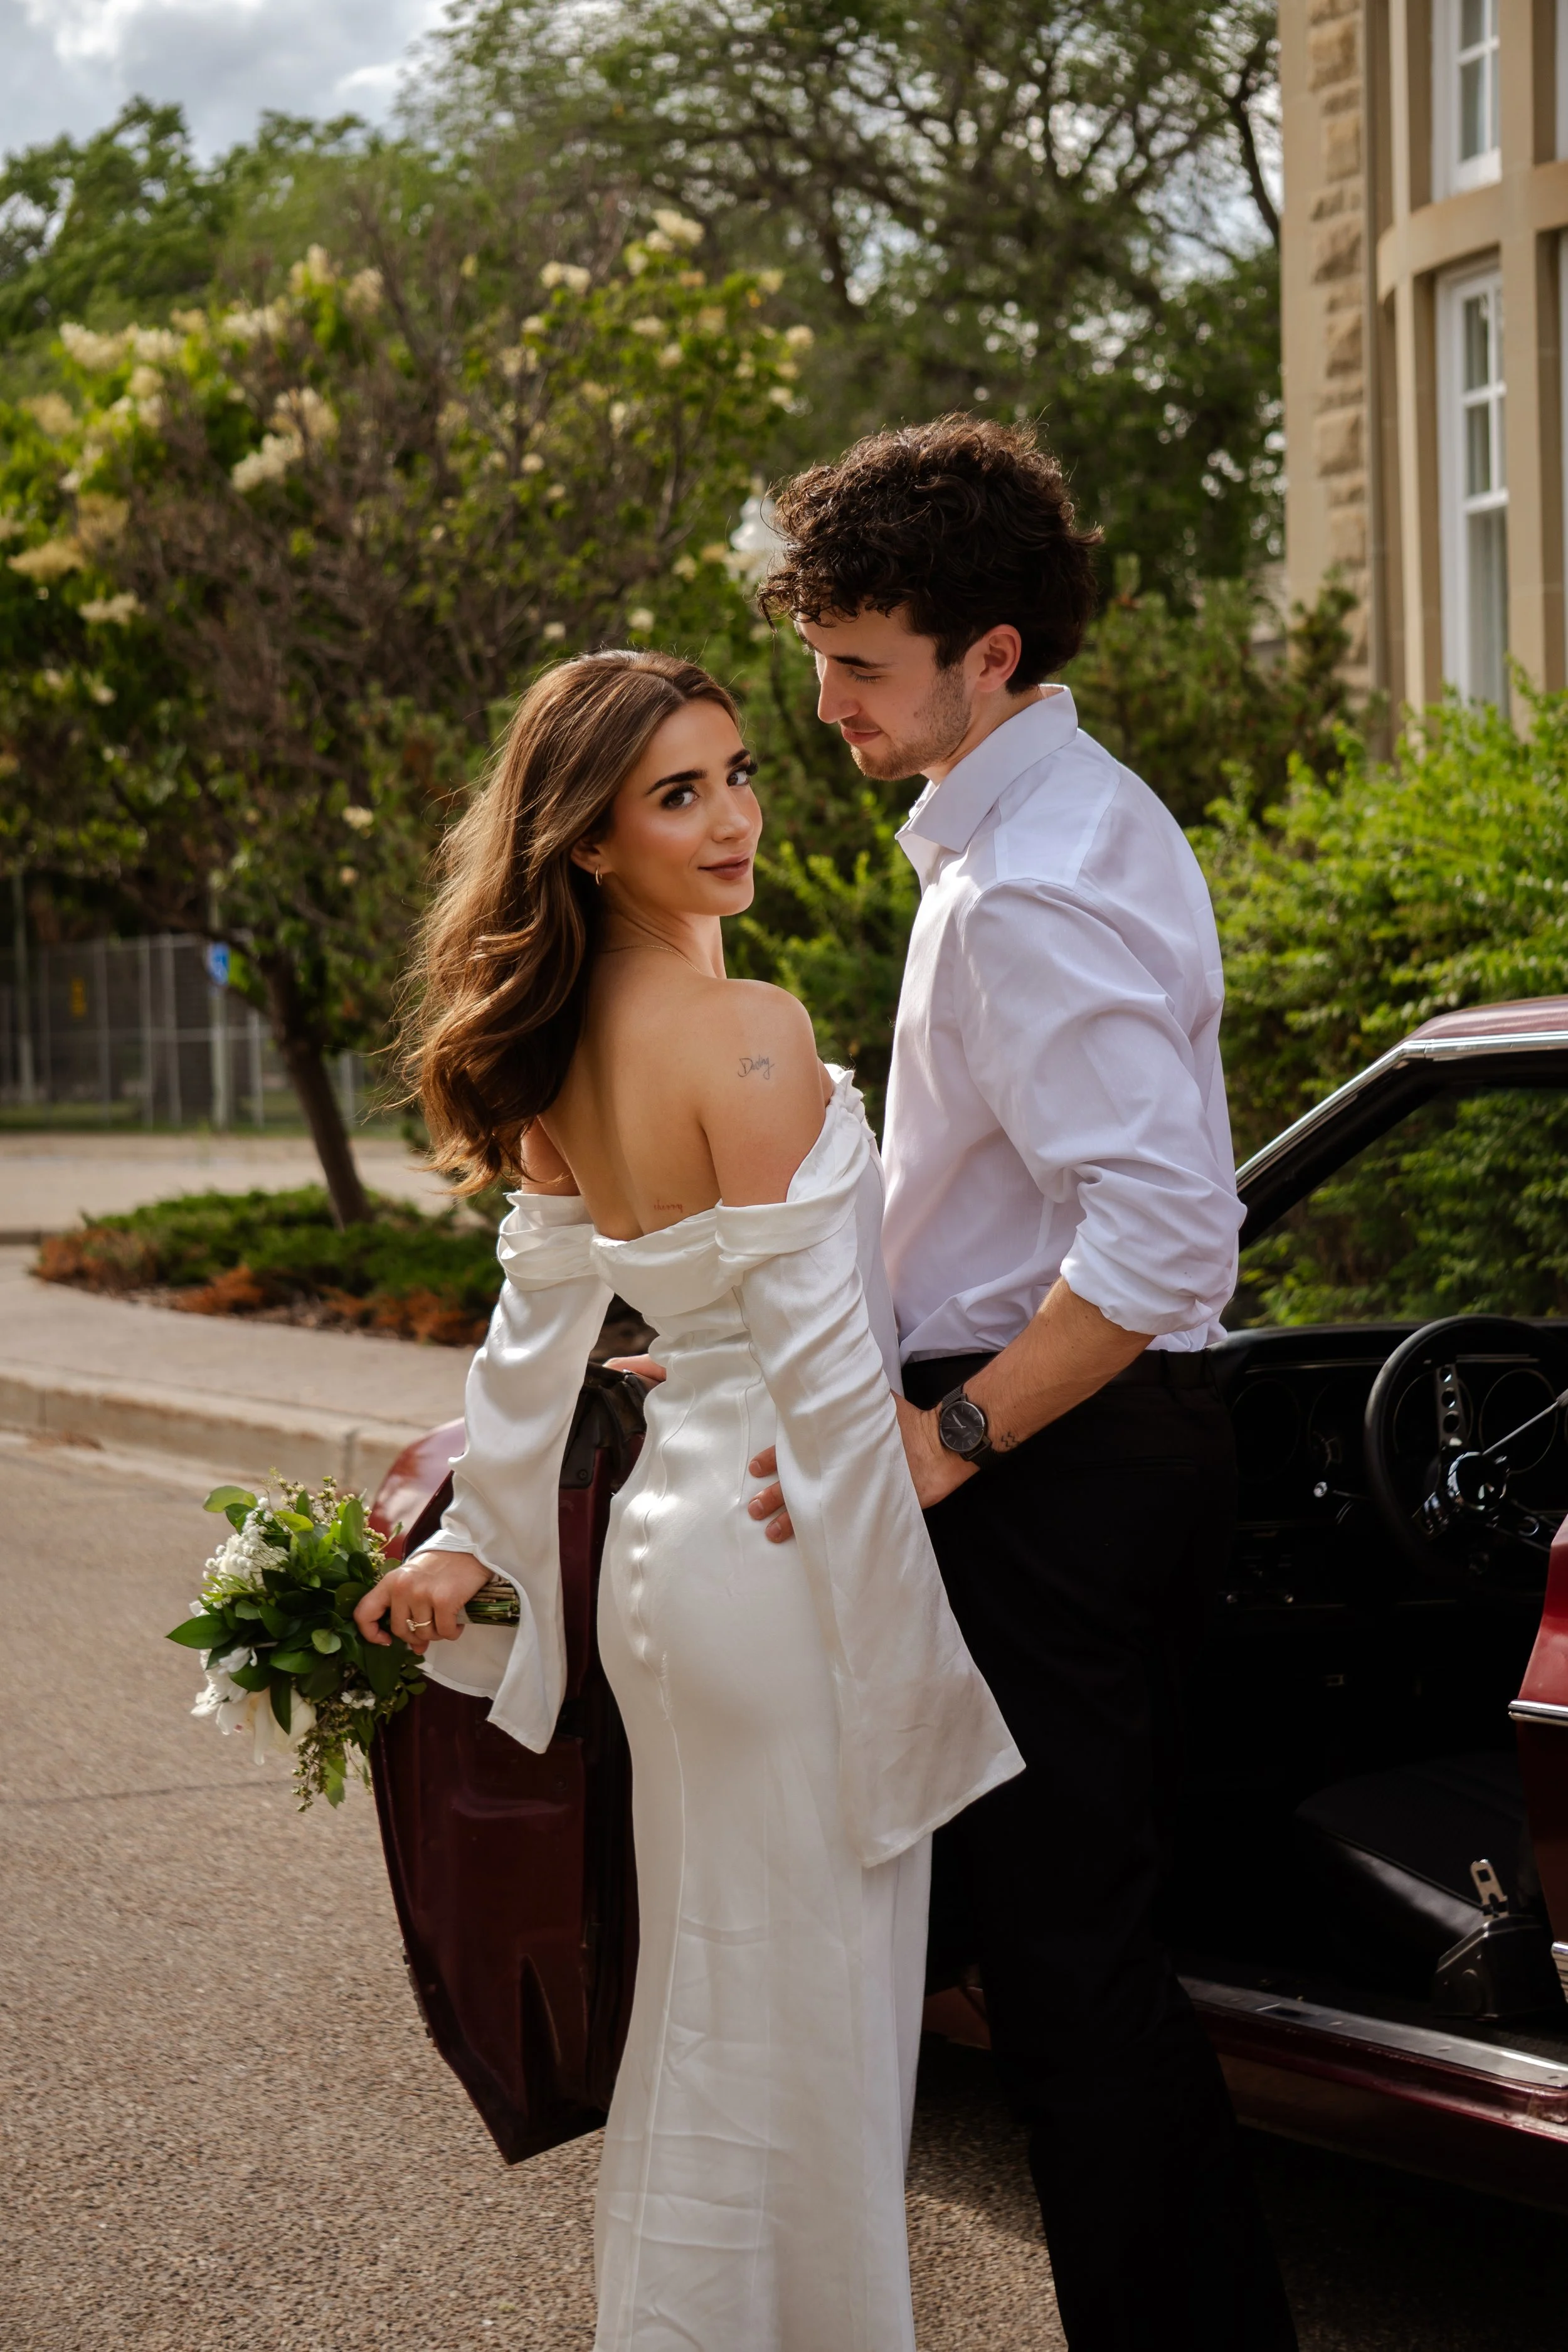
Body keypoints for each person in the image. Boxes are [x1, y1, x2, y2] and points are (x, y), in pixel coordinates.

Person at [353, 649, 1022, 2352]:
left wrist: (470, 1539)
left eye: (734, 772)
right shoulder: (749, 1032)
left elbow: (542, 1325)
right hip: (773, 1559)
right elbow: (822, 1378)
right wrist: (912, 1678)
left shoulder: (558, 1050)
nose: (732, 817)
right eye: (678, 793)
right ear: (587, 838)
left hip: (660, 1569)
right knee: (814, 2024)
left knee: (710, 2007)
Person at [746, 417, 1298, 2352]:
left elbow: (1158, 1242)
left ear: (989, 656)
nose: (817, 704)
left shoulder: (1025, 886)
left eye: (857, 662)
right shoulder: (1073, 819)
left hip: (1047, 1455)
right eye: (814, 655)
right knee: (1067, 1951)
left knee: (1072, 1973)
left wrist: (944, 1437)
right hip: (1093, 1453)